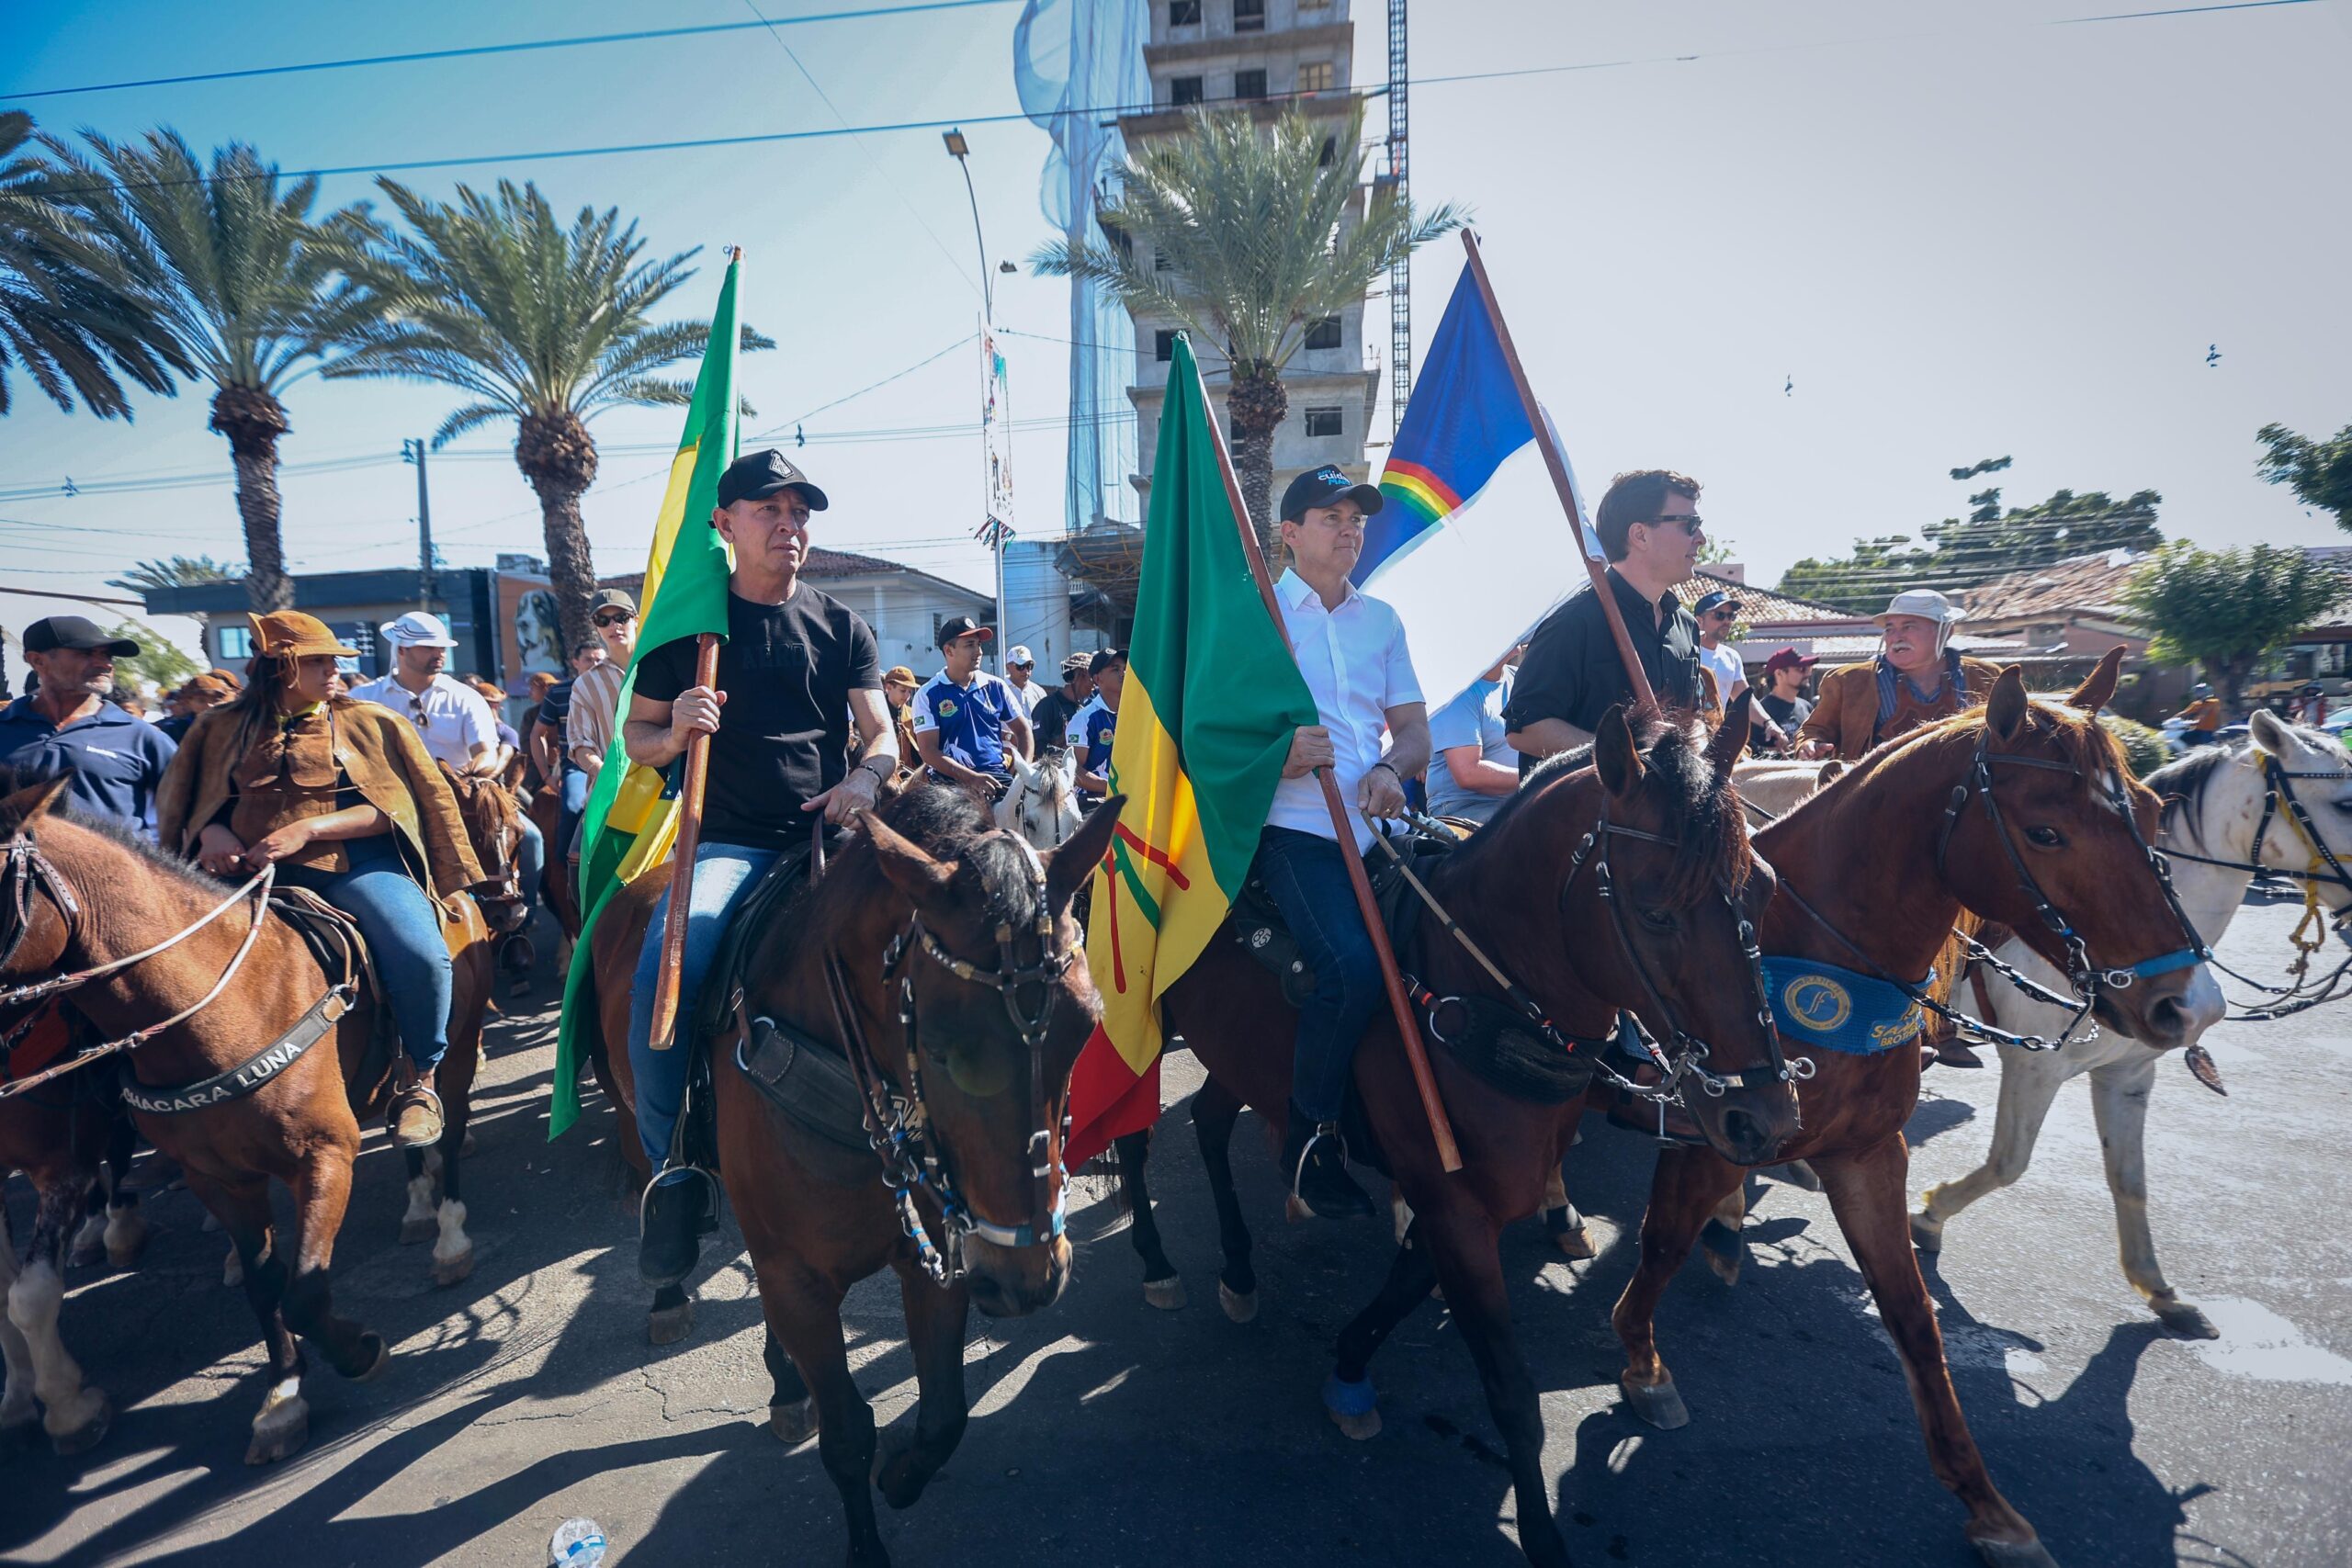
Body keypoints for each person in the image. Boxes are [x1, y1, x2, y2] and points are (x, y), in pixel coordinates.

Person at [620, 449, 895, 1287]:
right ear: (725, 523)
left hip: (832, 844)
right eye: (769, 511)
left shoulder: (842, 625)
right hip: (731, 845)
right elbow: (636, 739)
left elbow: (880, 736)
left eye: (800, 512)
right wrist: (675, 734)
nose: (790, 526)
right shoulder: (685, 634)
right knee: (670, 966)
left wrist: (863, 778)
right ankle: (672, 1169)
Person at [155, 613, 485, 1146]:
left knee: (420, 954)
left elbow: (395, 810)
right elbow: (187, 804)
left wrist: (307, 829)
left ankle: (420, 1081)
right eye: (318, 661)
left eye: (335, 661)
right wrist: (211, 833)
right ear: (279, 666)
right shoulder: (215, 728)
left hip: (355, 867)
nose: (334, 670)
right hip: (243, 877)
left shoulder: (371, 722)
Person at [1256, 466, 1430, 1219]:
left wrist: (1393, 766)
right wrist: (1278, 757)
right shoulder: (1255, 616)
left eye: (1357, 518)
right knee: (1355, 971)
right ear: (1289, 534)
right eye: (1331, 517)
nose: (1350, 529)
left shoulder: (1383, 620)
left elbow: (1417, 730)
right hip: (1292, 831)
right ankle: (1309, 1138)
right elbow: (1202, 732)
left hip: (1379, 833)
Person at [1505, 471, 1707, 770]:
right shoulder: (1573, 622)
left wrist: (1694, 743)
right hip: (1582, 812)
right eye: (1689, 525)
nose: (1701, 538)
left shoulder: (1685, 626)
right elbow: (1525, 729)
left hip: (1668, 812)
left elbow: (1695, 719)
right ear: (1640, 534)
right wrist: (1627, 752)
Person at [351, 613, 542, 918]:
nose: (439, 653)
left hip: (462, 800)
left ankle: (521, 911)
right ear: (401, 649)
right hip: (392, 805)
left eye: (442, 647)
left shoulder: (465, 697)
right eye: (428, 647)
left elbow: (486, 752)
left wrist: (465, 776)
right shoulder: (362, 699)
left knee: (531, 838)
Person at [0, 615, 178, 834]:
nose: (104, 664)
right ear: (37, 661)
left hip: (112, 868)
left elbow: (196, 801)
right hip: (17, 866)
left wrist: (215, 830)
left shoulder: (142, 737)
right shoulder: (4, 727)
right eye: (86, 653)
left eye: (106, 654)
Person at [1797, 590, 2006, 761]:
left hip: (1965, 799)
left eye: (1909, 627)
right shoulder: (1849, 680)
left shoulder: (1987, 676)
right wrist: (1809, 745)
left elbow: (2013, 733)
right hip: (1874, 799)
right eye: (1890, 629)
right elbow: (1815, 729)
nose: (1896, 637)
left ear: (1946, 632)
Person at [910, 615, 1031, 796]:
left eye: (979, 644)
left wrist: (1024, 774)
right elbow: (928, 750)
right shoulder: (928, 694)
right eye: (970, 645)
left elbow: (1023, 731)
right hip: (949, 785)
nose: (978, 651)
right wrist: (971, 778)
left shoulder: (996, 686)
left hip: (997, 779)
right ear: (949, 651)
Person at [1425, 650, 1521, 825]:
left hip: (1517, 801)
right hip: (1463, 808)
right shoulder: (1458, 692)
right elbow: (1468, 774)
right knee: (1541, 826)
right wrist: (1537, 775)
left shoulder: (1520, 678)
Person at [533, 638, 606, 862]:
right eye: (588, 659)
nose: (594, 664)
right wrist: (546, 776)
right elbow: (537, 734)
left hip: (617, 764)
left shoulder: (619, 687)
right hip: (577, 767)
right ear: (575, 662)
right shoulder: (559, 693)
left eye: (599, 660)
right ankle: (566, 865)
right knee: (575, 806)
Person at [564, 589, 637, 798]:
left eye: (621, 618)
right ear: (596, 627)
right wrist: (601, 771)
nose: (614, 626)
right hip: (613, 795)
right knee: (569, 814)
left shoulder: (662, 666)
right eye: (603, 620)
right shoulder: (585, 684)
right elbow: (580, 743)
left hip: (668, 792)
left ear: (636, 619)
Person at [1067, 648, 1125, 805]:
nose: (1123, 674)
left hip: (1133, 799)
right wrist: (1113, 788)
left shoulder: (1137, 714)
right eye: (1116, 669)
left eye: (1125, 669)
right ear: (1098, 679)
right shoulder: (1084, 719)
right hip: (1094, 800)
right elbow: (1075, 770)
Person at [1029, 652, 1094, 755]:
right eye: (1092, 678)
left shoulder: (1082, 710)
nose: (1094, 685)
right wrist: (1067, 755)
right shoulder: (1047, 706)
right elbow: (1038, 748)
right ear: (1079, 676)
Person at [1755, 649, 1818, 749]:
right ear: (1779, 673)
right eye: (1801, 669)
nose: (1808, 673)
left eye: (1809, 668)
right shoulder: (1760, 712)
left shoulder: (1806, 706)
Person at [159, 671, 238, 744]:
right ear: (188, 703)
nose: (210, 705)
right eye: (201, 701)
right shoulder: (175, 729)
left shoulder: (231, 727)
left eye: (215, 700)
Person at [880, 664, 921, 768]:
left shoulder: (912, 714)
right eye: (903, 690)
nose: (907, 696)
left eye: (910, 692)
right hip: (884, 771)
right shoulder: (877, 713)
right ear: (888, 687)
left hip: (908, 774)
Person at [2171, 683, 2224, 747]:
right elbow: (2184, 713)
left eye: (2200, 692)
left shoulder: (2214, 702)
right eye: (2197, 692)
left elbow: (2204, 713)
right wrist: (2171, 720)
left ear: (2206, 692)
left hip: (2208, 730)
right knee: (2181, 736)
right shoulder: (2196, 704)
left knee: (2207, 745)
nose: (2198, 694)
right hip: (2197, 729)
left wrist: (2195, 722)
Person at [1002, 644, 1046, 718]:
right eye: (1020, 666)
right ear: (1008, 667)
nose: (1026, 671)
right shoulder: (999, 690)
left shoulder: (1039, 692)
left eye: (1029, 666)